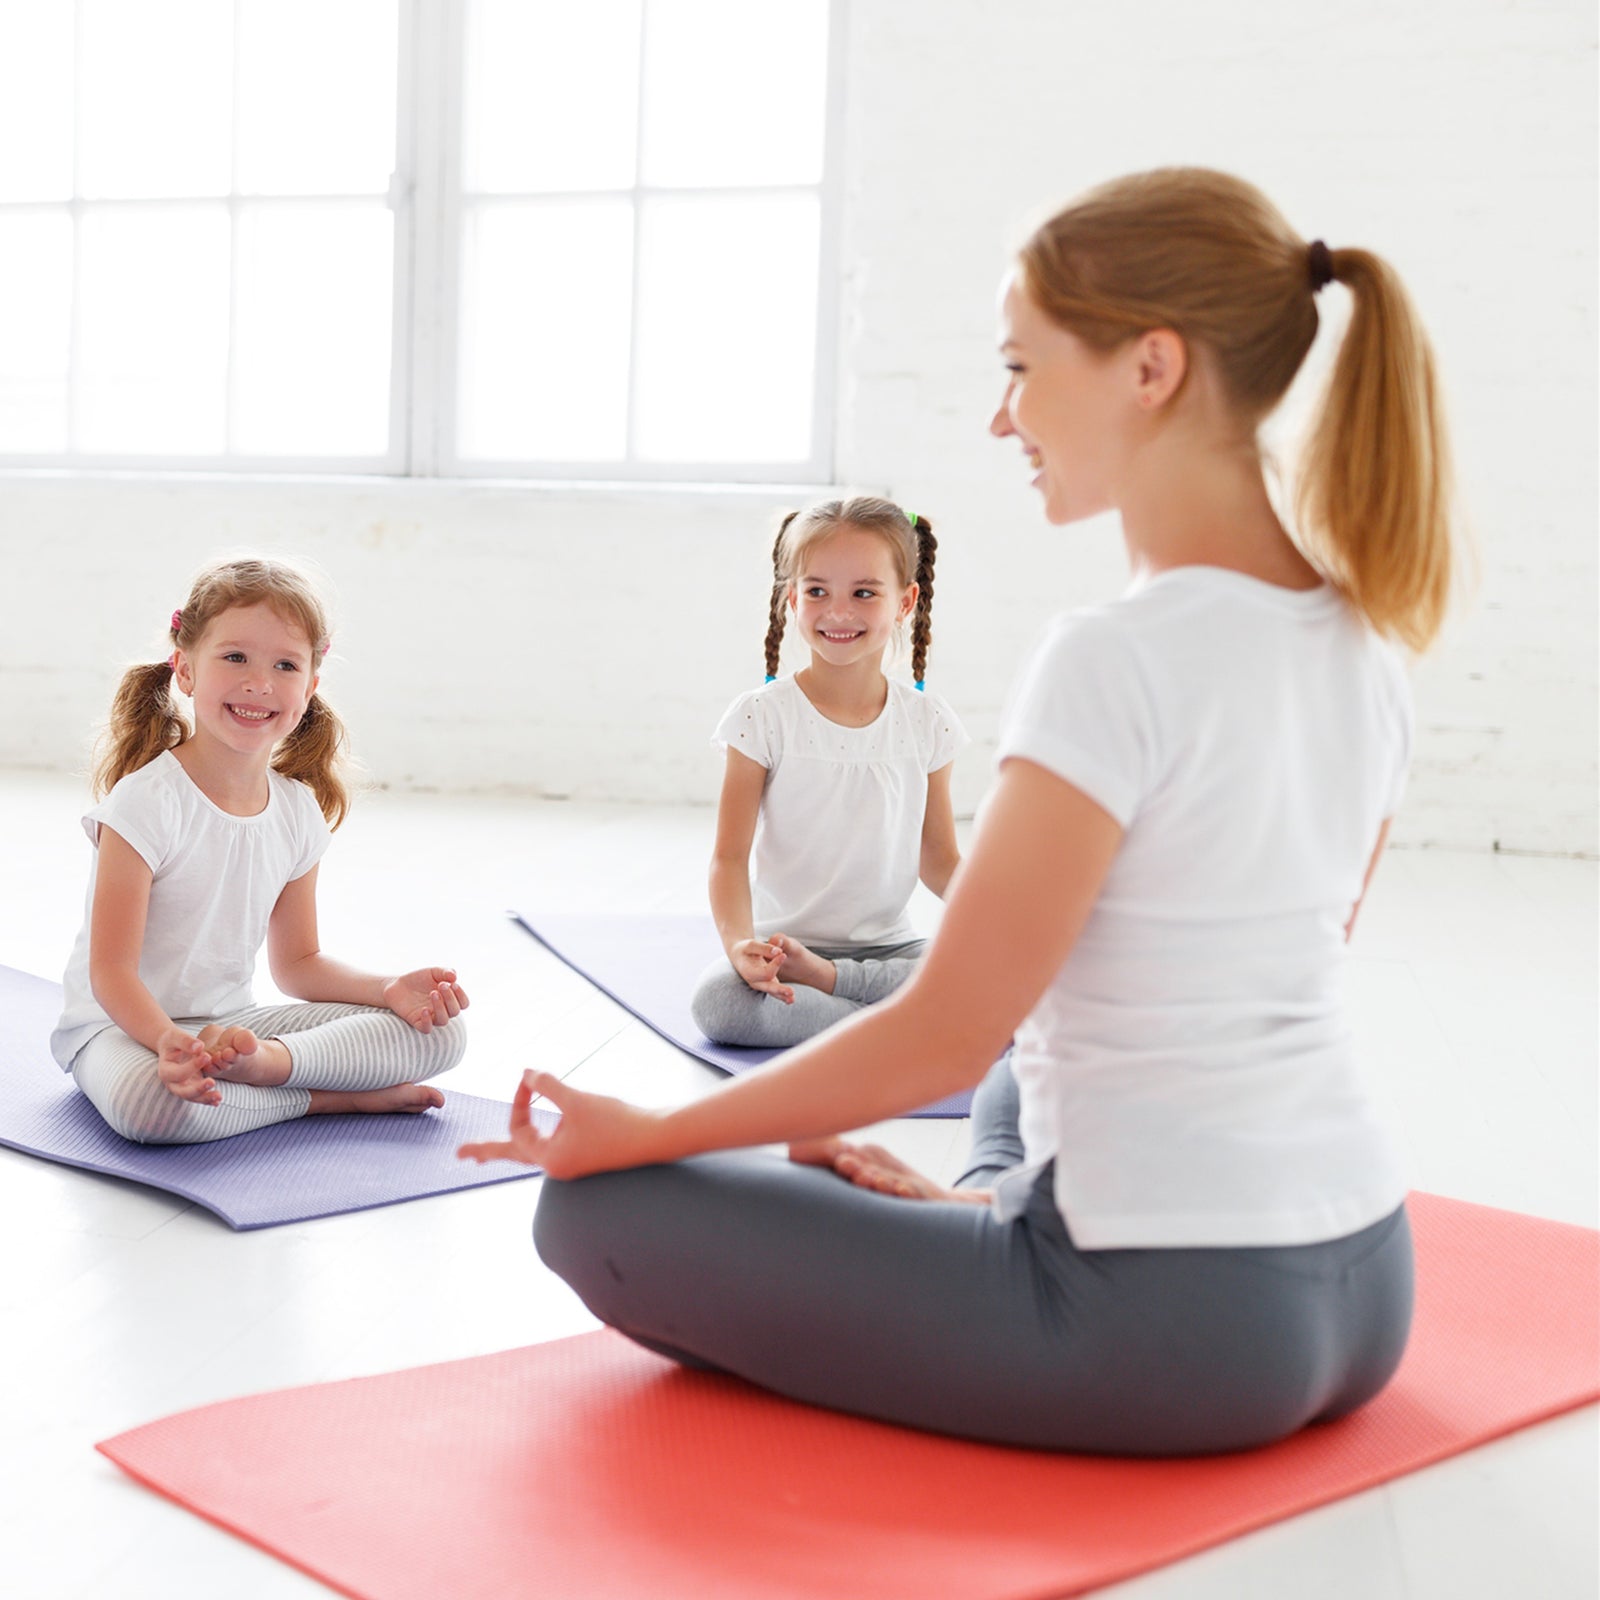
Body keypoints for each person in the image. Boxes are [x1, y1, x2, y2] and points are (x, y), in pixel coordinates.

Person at [461, 168, 1454, 1456]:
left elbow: (943, 1025)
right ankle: (977, 1209)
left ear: (1150, 367)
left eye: (1023, 366)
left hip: (1177, 1328)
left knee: (594, 1211)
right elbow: (1257, 971)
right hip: (1368, 1279)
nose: (1003, 417)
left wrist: (647, 1128)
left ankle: (976, 1224)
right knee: (1009, 1095)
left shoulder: (1115, 656)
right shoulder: (1364, 644)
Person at [52, 557, 469, 1144]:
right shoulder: (144, 803)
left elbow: (298, 965)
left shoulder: (297, 809)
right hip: (120, 1031)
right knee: (155, 1105)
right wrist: (169, 1042)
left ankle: (270, 1070)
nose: (259, 682)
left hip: (234, 1033)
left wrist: (388, 989)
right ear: (186, 670)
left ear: (310, 687)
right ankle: (324, 1099)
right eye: (235, 657)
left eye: (285, 665)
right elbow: (110, 972)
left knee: (440, 1034)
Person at [687, 497, 965, 1048]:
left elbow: (938, 858)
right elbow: (728, 857)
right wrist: (742, 946)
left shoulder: (928, 722)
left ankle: (842, 997)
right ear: (792, 599)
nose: (839, 611)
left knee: (987, 973)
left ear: (905, 601)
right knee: (718, 1003)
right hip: (784, 953)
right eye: (817, 591)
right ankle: (892, 1029)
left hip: (890, 953)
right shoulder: (760, 717)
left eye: (864, 592)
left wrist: (1003, 930)